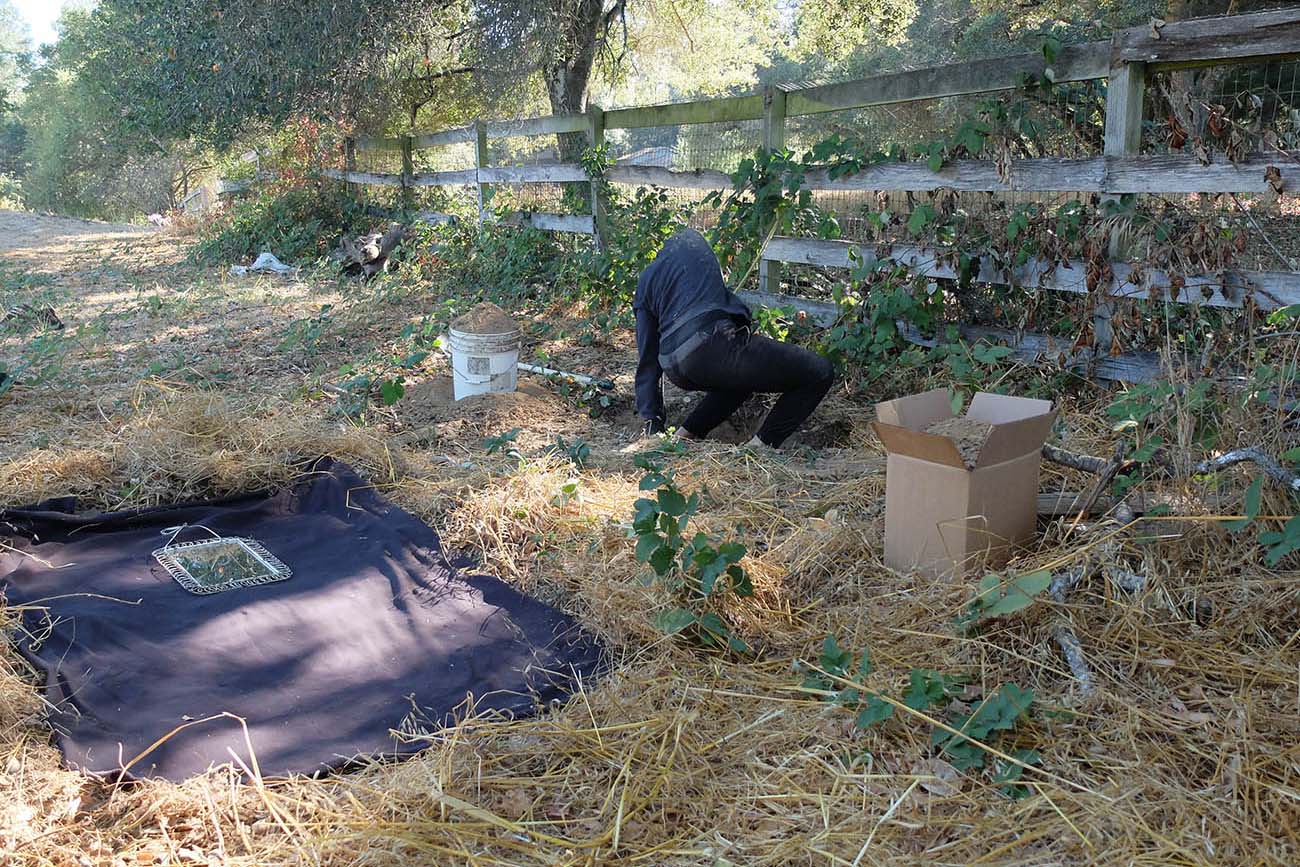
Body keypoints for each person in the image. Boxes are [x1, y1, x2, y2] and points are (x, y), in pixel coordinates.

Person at [634, 228, 835, 448]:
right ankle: (759, 448)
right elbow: (736, 310)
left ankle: (684, 435)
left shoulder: (647, 279)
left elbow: (648, 358)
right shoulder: (701, 256)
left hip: (676, 368)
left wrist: (652, 420)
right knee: (820, 372)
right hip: (709, 348)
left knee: (739, 379)